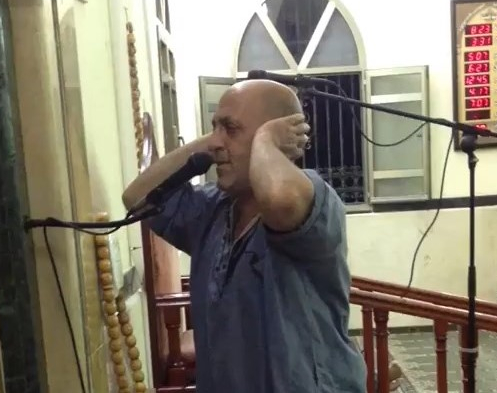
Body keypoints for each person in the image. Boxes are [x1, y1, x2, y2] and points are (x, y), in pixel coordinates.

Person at [123, 79, 377, 392]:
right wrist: (216, 139)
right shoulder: (213, 209)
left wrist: (267, 140)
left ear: (281, 138)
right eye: (214, 127)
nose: (216, 143)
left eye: (231, 129)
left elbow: (279, 199)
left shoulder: (313, 195)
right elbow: (138, 198)